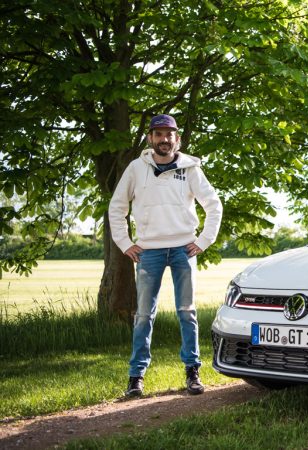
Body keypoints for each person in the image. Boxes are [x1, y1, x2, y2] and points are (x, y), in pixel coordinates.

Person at [109, 114, 223, 397]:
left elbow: (213, 205)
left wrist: (204, 240)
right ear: (150, 138)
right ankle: (136, 378)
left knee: (187, 312)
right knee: (144, 315)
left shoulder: (190, 169)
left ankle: (192, 373)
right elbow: (117, 207)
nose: (164, 139)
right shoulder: (136, 168)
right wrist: (125, 243)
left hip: (184, 249)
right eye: (158, 134)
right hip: (149, 251)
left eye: (169, 134)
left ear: (177, 139)